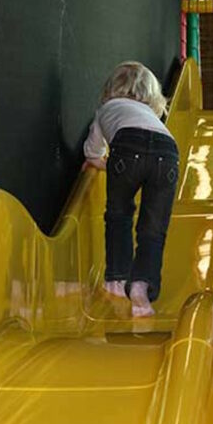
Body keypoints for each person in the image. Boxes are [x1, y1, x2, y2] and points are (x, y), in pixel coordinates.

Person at [83, 61, 178, 317]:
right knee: (154, 229)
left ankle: (118, 278)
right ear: (151, 95)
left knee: (119, 216)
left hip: (127, 145)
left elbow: (92, 152)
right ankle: (141, 286)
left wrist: (102, 164)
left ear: (111, 88)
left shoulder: (107, 108)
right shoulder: (152, 117)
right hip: (168, 150)